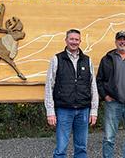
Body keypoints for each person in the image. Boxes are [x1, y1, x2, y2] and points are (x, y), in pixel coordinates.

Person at [44, 29, 99, 158]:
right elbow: (49, 86)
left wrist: (94, 111)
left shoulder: (87, 60)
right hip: (64, 110)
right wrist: (50, 111)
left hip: (83, 110)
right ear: (66, 40)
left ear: (80, 41)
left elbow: (93, 86)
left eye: (76, 39)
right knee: (61, 148)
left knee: (81, 148)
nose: (74, 42)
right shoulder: (57, 59)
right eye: (71, 39)